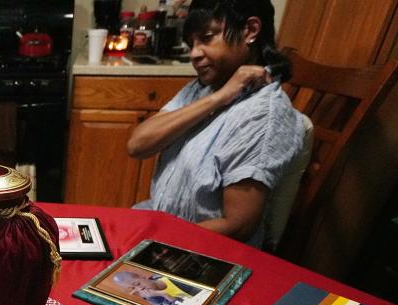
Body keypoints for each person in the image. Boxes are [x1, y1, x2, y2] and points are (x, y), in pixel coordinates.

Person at [126, 0, 305, 247]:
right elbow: (137, 145)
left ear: (251, 30)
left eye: (207, 38)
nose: (194, 54)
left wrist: (150, 243)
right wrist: (219, 98)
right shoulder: (206, 88)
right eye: (191, 44)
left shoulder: (263, 115)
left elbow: (238, 226)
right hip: (158, 223)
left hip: (199, 251)